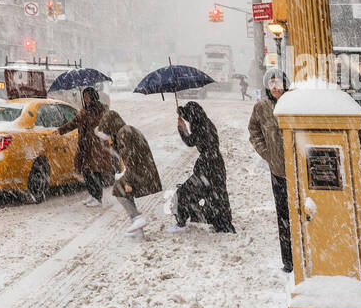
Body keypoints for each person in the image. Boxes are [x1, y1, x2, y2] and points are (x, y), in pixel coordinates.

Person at [248, 69, 292, 272]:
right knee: (283, 217)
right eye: (271, 83)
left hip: (299, 171)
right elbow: (254, 131)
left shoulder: (294, 103)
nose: (275, 87)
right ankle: (289, 261)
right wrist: (266, 153)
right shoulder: (261, 108)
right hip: (278, 171)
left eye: (279, 82)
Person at [172, 100, 236, 233]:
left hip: (208, 166)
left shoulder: (201, 126)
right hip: (216, 164)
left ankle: (181, 222)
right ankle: (221, 221)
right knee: (216, 194)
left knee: (184, 193)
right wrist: (181, 113)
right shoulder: (205, 122)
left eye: (189, 117)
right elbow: (192, 115)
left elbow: (190, 141)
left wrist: (182, 129)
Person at [96, 108, 163, 235]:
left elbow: (131, 159)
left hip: (141, 172)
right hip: (143, 170)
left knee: (118, 189)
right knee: (123, 191)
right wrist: (112, 142)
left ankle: (137, 218)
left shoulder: (124, 134)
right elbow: (124, 153)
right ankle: (137, 228)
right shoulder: (125, 130)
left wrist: (128, 181)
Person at [58, 86, 114, 206]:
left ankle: (97, 198)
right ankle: (92, 194)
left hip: (96, 146)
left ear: (93, 97)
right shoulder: (85, 110)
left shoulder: (100, 108)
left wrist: (85, 115)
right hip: (85, 145)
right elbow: (74, 123)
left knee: (95, 172)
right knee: (86, 172)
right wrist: (60, 131)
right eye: (84, 97)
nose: (86, 99)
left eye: (88, 97)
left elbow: (98, 123)